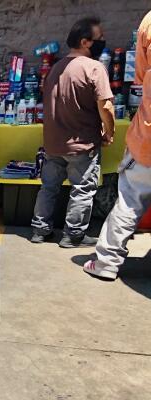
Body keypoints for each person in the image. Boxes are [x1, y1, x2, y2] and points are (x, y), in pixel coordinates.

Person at [30, 16, 115, 248]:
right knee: (82, 190)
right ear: (86, 42)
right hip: (82, 143)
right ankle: (73, 235)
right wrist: (110, 131)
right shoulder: (94, 68)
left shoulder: (55, 68)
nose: (103, 41)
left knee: (48, 187)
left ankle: (40, 230)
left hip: (53, 143)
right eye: (100, 37)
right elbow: (106, 106)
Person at [84, 10, 151, 280]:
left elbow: (139, 77)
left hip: (147, 137)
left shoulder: (149, 22)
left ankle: (106, 262)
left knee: (130, 199)